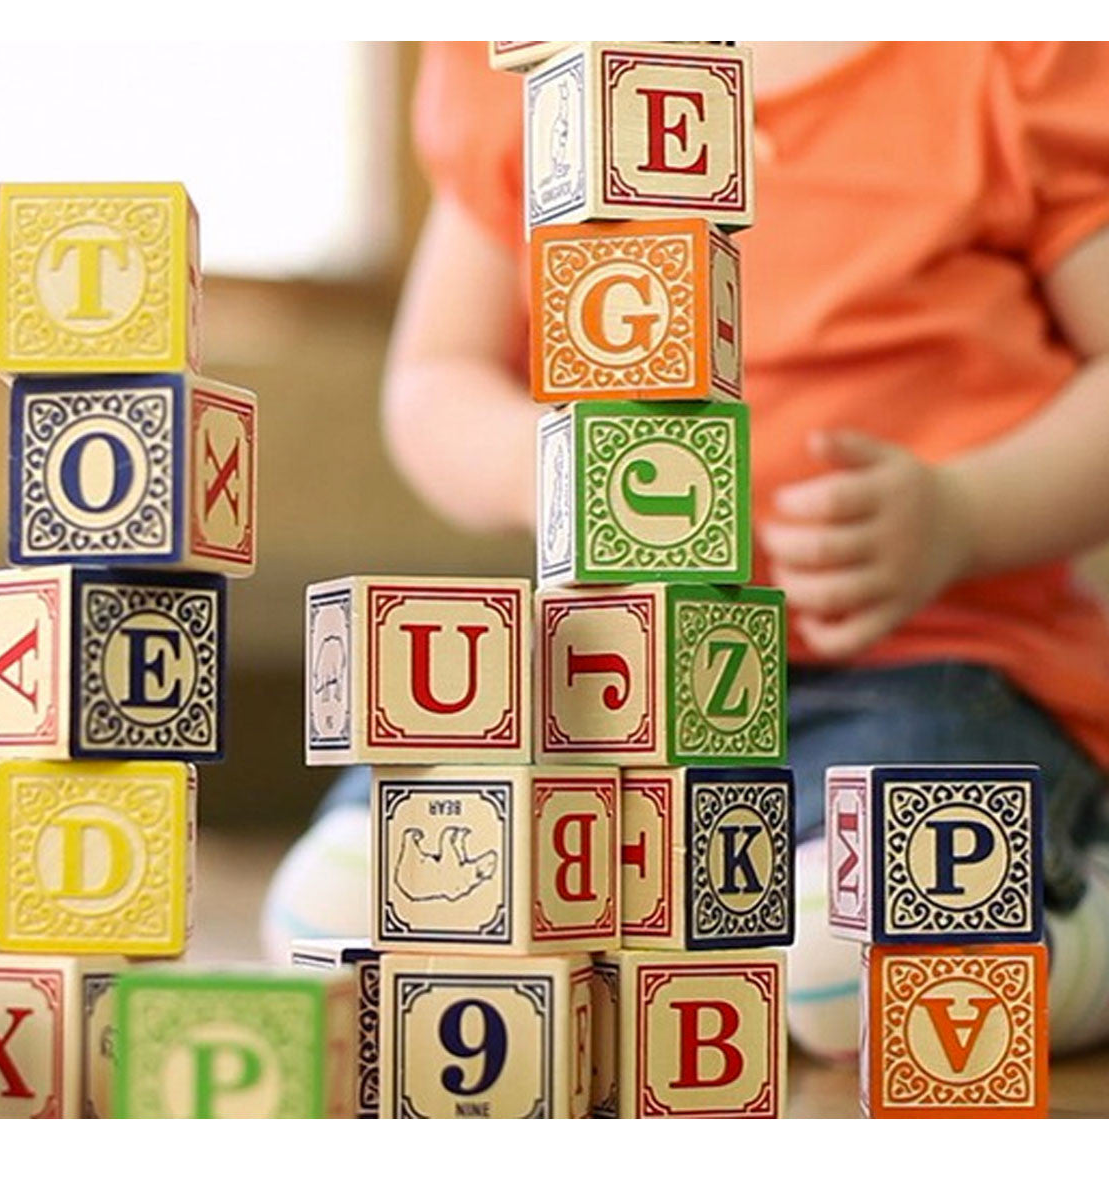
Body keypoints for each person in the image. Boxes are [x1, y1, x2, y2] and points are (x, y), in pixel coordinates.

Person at [265, 41, 1109, 1057]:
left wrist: (964, 513)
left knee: (853, 972)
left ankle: (1071, 900)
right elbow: (434, 378)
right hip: (612, 681)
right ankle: (654, 926)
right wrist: (549, 465)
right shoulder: (532, 72)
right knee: (335, 915)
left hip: (923, 668)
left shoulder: (1009, 56)